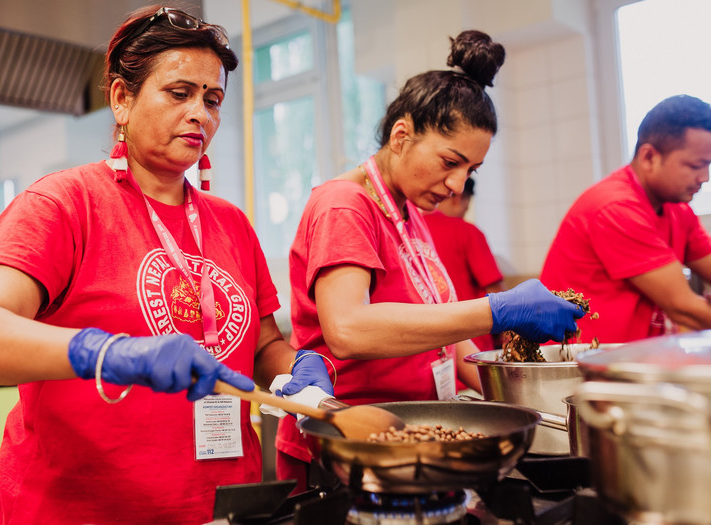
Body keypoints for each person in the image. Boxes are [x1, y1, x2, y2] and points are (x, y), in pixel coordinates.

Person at [0, 6, 332, 525]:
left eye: (212, 99)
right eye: (180, 93)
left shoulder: (230, 223)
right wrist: (105, 351)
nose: (202, 114)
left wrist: (298, 370)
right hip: (79, 511)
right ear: (122, 99)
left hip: (217, 507)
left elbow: (263, 345)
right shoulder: (64, 203)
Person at [274, 30, 586, 493]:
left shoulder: (408, 210)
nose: (458, 185)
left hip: (410, 434)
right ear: (401, 135)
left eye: (470, 171)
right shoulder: (346, 204)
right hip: (350, 442)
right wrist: (497, 309)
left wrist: (513, 403)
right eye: (449, 161)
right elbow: (347, 330)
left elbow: (445, 336)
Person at [540, 94, 711, 344]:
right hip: (579, 366)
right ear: (649, 157)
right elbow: (683, 307)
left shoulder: (678, 209)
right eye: (696, 165)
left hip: (633, 360)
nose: (705, 177)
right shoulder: (616, 207)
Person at [423, 176, 505, 352]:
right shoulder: (467, 232)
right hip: (471, 342)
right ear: (460, 198)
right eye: (466, 207)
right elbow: (496, 293)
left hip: (429, 342)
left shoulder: (414, 229)